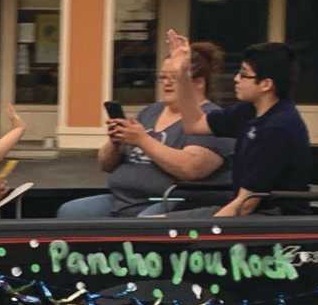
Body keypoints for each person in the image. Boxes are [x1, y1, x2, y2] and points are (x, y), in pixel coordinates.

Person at [55, 40, 234, 218]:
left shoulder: (210, 118)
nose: (167, 83)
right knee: (70, 212)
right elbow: (105, 164)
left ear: (199, 83)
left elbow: (191, 168)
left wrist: (142, 140)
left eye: (174, 78)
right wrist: (115, 143)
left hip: (169, 203)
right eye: (163, 77)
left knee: (144, 224)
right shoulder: (151, 111)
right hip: (121, 199)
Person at [170, 30, 312, 217]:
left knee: (161, 230)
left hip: (271, 220)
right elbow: (194, 124)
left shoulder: (278, 128)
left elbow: (245, 206)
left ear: (266, 84)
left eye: (244, 74)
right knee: (152, 225)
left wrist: (206, 229)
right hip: (242, 212)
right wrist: (182, 74)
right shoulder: (250, 111)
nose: (236, 79)